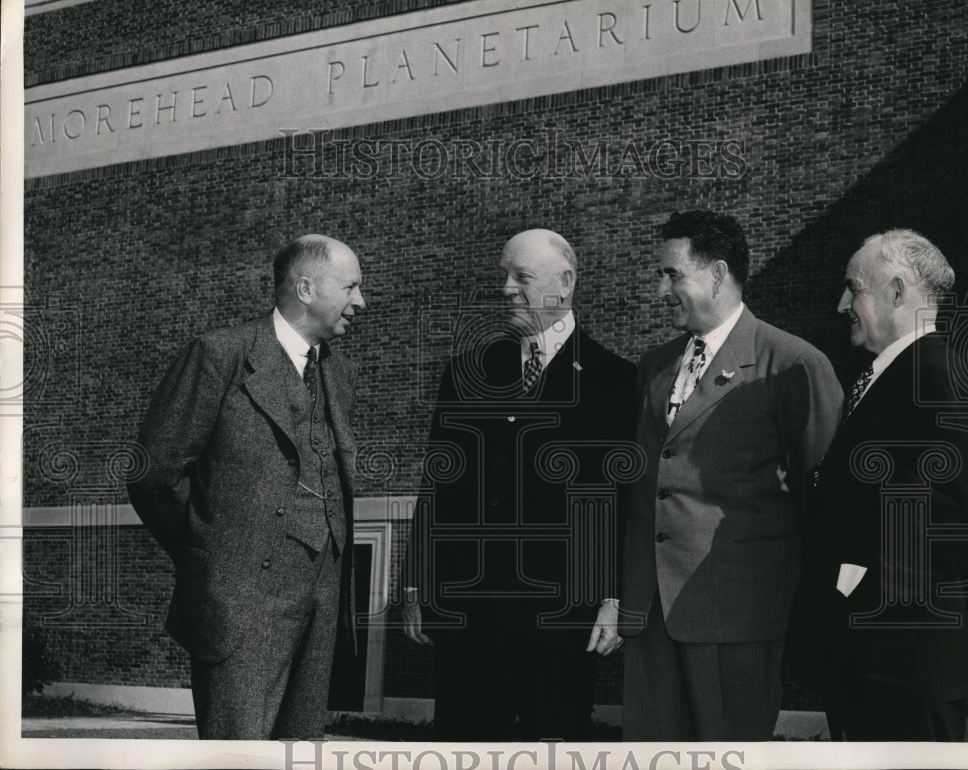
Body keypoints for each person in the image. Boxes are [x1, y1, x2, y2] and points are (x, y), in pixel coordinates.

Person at [613, 210, 843, 741]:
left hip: (736, 618)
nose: (660, 289)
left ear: (717, 274)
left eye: (672, 275)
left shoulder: (791, 363)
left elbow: (824, 502)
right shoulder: (654, 366)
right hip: (650, 617)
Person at [127, 234, 366, 740]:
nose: (360, 302)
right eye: (351, 287)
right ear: (305, 288)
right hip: (241, 607)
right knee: (237, 755)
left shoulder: (339, 374)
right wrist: (210, 555)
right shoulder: (220, 355)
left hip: (320, 607)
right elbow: (154, 474)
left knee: (299, 753)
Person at [402, 228, 637, 741]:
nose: (507, 288)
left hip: (561, 621)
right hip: (468, 615)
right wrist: (418, 582)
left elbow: (623, 502)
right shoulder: (467, 373)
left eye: (522, 277)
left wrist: (616, 599)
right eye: (504, 276)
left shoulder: (616, 381)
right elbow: (437, 485)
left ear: (566, 283)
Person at [790, 229, 968, 741]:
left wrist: (851, 584)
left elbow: (951, 525)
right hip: (871, 667)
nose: (841, 303)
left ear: (896, 292)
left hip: (898, 671)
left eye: (854, 288)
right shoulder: (897, 375)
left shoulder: (935, 377)